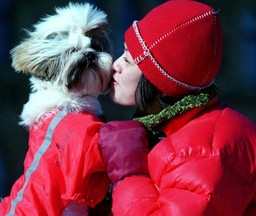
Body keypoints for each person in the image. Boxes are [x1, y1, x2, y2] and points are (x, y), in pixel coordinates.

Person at [99, 0, 256, 215]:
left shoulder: (202, 151)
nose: (115, 65)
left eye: (128, 60)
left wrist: (128, 173)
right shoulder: (174, 127)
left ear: (162, 84)